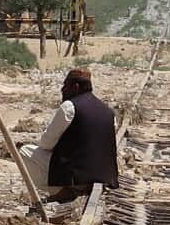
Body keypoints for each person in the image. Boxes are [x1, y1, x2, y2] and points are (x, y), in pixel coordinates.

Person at [18, 68, 119, 202]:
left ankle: (63, 191)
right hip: (104, 176)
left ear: (75, 87)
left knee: (25, 151)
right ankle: (69, 190)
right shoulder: (108, 111)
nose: (62, 89)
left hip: (78, 177)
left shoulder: (70, 107)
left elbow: (46, 144)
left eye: (65, 85)